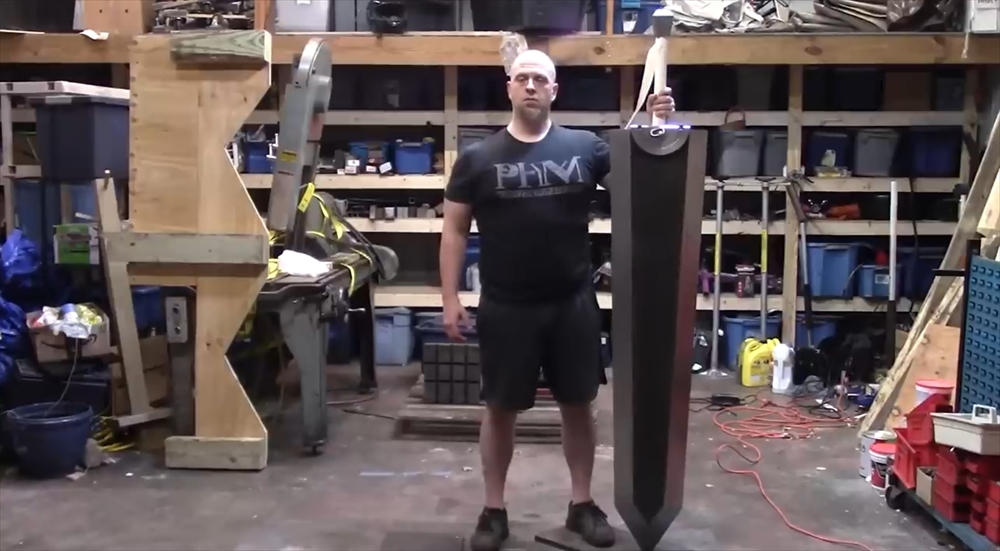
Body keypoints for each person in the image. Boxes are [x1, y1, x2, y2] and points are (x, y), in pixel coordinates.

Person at [439, 49, 675, 551]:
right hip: (506, 304)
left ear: (554, 90)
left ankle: (581, 504)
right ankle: (493, 510)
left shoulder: (586, 147)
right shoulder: (477, 158)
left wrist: (659, 127)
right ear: (508, 86)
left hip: (572, 303)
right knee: (500, 409)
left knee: (578, 405)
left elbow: (644, 173)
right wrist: (450, 296)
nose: (530, 86)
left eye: (540, 79)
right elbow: (454, 229)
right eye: (522, 77)